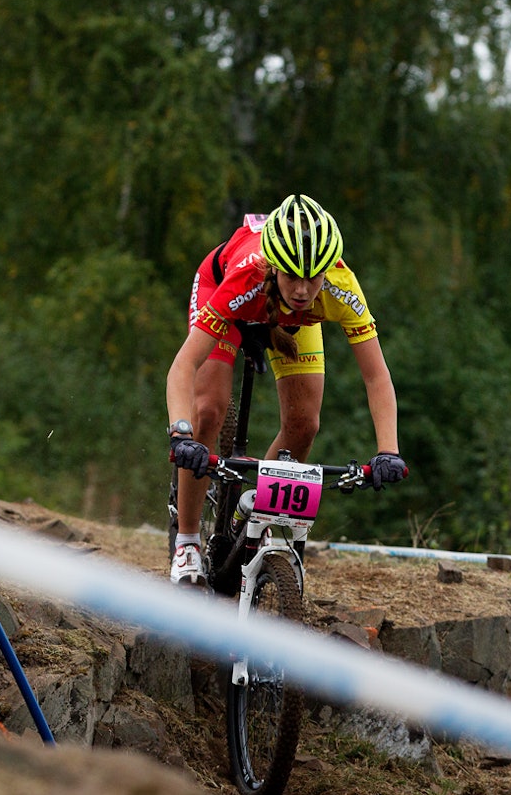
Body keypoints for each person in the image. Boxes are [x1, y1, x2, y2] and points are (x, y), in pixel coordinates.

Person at [165, 193, 407, 585]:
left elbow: (376, 376)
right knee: (207, 410)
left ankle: (252, 515)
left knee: (304, 425)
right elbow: (183, 365)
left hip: (296, 321)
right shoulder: (247, 276)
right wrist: (180, 433)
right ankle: (188, 543)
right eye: (292, 276)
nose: (302, 288)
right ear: (274, 267)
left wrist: (388, 451)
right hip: (228, 293)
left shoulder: (340, 287)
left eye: (314, 277)